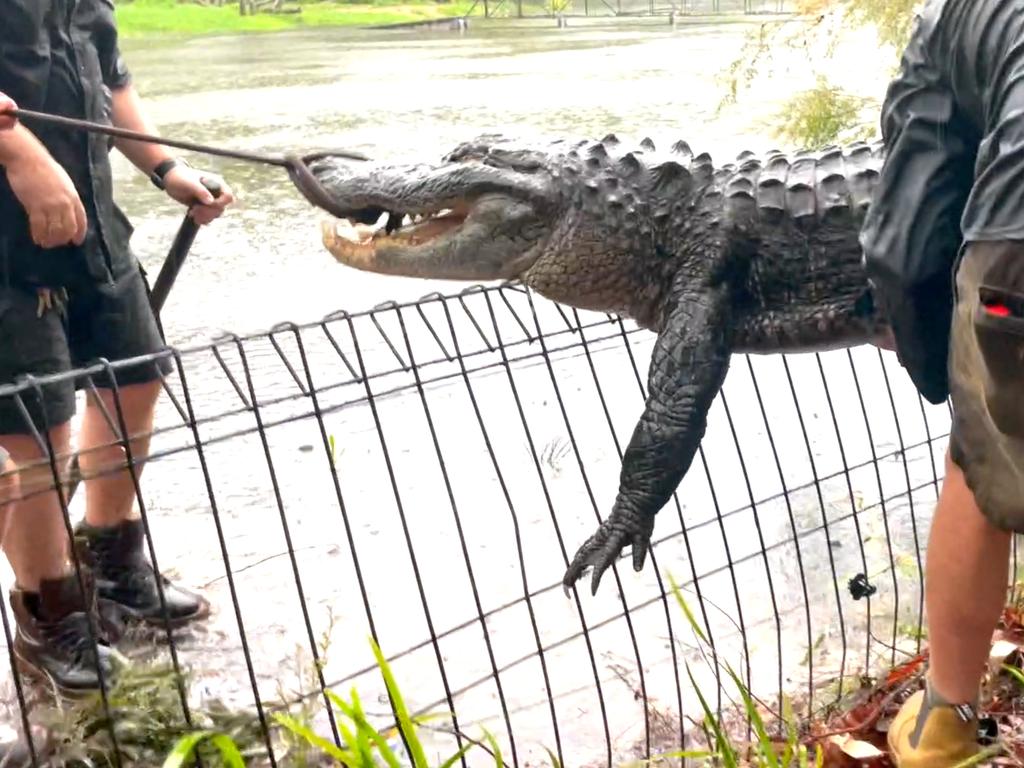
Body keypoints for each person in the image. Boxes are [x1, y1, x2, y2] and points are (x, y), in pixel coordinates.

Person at [0, 1, 235, 699]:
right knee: (36, 431)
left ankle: (112, 558)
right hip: (6, 245)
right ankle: (49, 613)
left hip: (93, 221)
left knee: (136, 377)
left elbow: (110, 80)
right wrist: (15, 148)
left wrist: (166, 170)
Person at [859, 0, 1024, 764]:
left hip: (1016, 250)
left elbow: (908, 231)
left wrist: (940, 372)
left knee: (976, 467)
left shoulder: (956, 13)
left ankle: (943, 727)